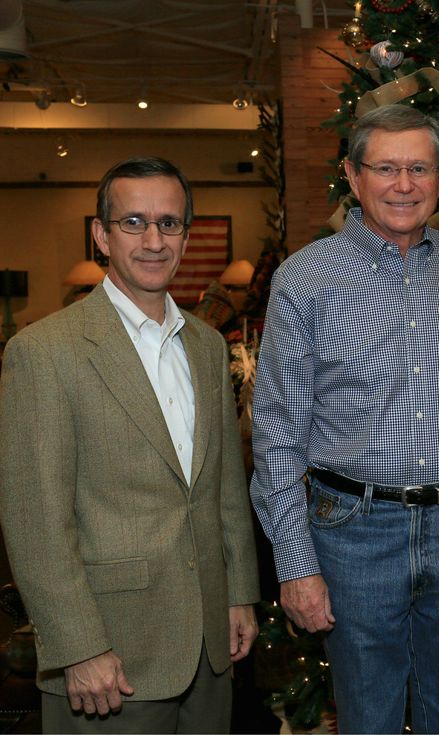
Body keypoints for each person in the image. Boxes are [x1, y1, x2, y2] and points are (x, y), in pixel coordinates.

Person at [249, 104, 439, 734]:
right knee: (367, 719)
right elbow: (279, 429)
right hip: (352, 534)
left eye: (419, 168)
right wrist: (296, 564)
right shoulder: (306, 278)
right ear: (353, 174)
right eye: (386, 168)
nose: (404, 185)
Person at [0, 156, 261, 733]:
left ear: (187, 236)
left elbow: (221, 490)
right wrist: (78, 646)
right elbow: (35, 519)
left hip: (209, 648)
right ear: (101, 235)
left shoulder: (206, 344)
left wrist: (239, 592)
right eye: (134, 222)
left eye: (169, 224)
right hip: (108, 657)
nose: (153, 240)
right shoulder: (44, 352)